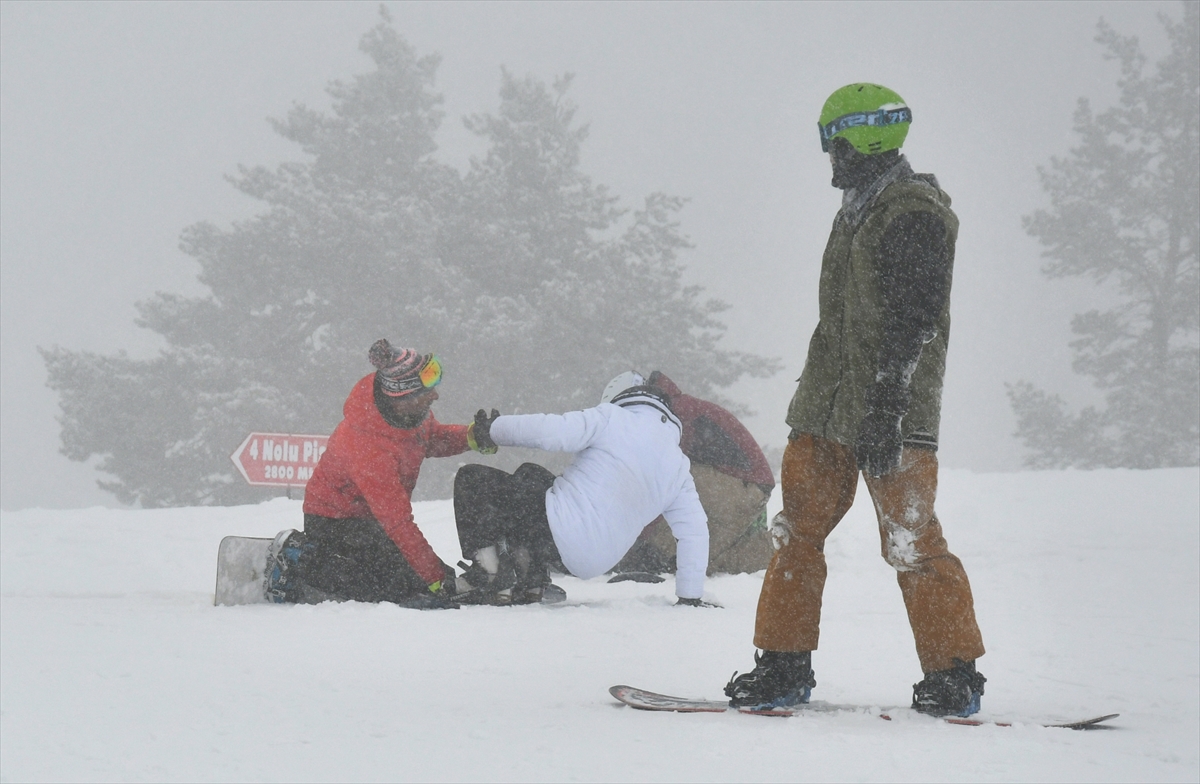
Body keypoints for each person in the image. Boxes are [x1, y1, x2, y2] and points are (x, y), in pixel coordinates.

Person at [723, 84, 986, 717]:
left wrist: (888, 407)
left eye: (833, 140)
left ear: (866, 137)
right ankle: (782, 665)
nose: (829, 156)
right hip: (824, 411)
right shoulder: (856, 213)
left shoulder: (913, 213)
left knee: (912, 539)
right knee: (796, 535)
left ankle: (954, 676)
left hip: (891, 415)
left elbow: (916, 319)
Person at [265, 339, 498, 608]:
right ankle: (299, 561)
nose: (435, 395)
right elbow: (398, 522)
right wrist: (434, 579)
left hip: (370, 520)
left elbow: (433, 439)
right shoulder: (368, 447)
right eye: (427, 389)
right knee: (395, 587)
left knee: (428, 580)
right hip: (334, 522)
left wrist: (473, 436)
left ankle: (411, 579)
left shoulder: (412, 416)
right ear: (403, 397)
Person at [448, 375, 710, 606]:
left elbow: (550, 431)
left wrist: (493, 430)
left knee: (472, 478)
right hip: (588, 563)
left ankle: (488, 575)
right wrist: (690, 596)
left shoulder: (611, 418)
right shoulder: (678, 465)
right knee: (531, 474)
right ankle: (531, 580)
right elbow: (694, 532)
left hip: (557, 531)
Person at [612, 370, 775, 576]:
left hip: (742, 485)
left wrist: (641, 540)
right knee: (701, 560)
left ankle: (656, 553)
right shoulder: (673, 408)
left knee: (675, 553)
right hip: (744, 486)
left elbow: (661, 478)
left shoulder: (673, 414)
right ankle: (782, 549)